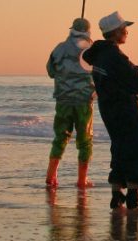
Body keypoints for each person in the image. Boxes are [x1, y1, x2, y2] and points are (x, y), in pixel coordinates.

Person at [82, 11, 138, 211]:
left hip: (109, 110)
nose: (127, 32)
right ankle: (133, 200)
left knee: (120, 150)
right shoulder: (114, 55)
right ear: (115, 32)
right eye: (124, 28)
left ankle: (117, 195)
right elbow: (136, 79)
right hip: (127, 111)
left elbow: (132, 69)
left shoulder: (102, 54)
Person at [45, 17, 97, 189]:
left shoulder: (60, 48)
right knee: (85, 140)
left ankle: (51, 176)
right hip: (84, 101)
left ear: (72, 30)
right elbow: (100, 74)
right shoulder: (92, 49)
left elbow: (51, 71)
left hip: (63, 100)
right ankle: (82, 180)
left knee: (60, 137)